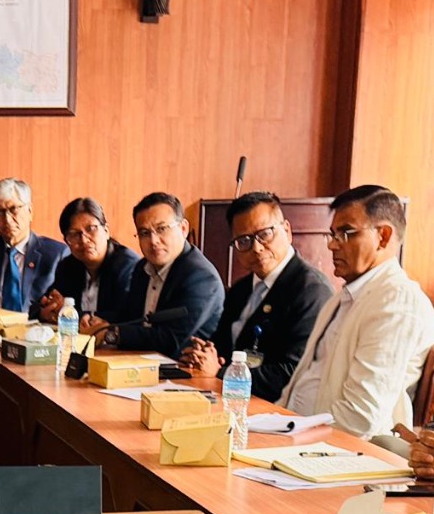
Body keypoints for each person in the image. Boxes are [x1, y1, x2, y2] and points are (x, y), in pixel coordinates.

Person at [278, 185, 434, 439]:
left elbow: (361, 418)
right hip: (297, 434)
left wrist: (289, 433)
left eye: (346, 234)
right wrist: (274, 423)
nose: (333, 245)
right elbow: (299, 383)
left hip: (344, 451)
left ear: (383, 237)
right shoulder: (344, 297)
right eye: (332, 235)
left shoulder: (397, 301)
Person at [180, 192, 332, 402]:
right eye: (244, 241)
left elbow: (292, 372)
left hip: (278, 408)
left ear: (287, 231)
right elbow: (221, 345)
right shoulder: (241, 289)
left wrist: (221, 373)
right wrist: (203, 354)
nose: (257, 248)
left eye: (265, 234)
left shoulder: (311, 291)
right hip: (231, 398)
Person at [83, 192, 224, 360]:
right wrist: (94, 320)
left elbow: (170, 339)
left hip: (182, 368)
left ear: (183, 228)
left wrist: (110, 334)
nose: (153, 241)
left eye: (161, 229)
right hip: (140, 361)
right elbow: (131, 317)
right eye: (144, 233)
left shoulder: (200, 277)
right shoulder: (143, 267)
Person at [0, 178, 68, 317]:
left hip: (36, 328)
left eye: (13, 209)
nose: (7, 219)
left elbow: (64, 306)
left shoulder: (57, 254)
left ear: (30, 211)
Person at [33, 197, 139, 324]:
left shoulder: (127, 265)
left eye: (91, 229)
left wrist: (69, 313)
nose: (84, 240)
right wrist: (46, 311)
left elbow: (126, 317)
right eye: (74, 234)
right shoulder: (68, 266)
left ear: (106, 231)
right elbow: (40, 304)